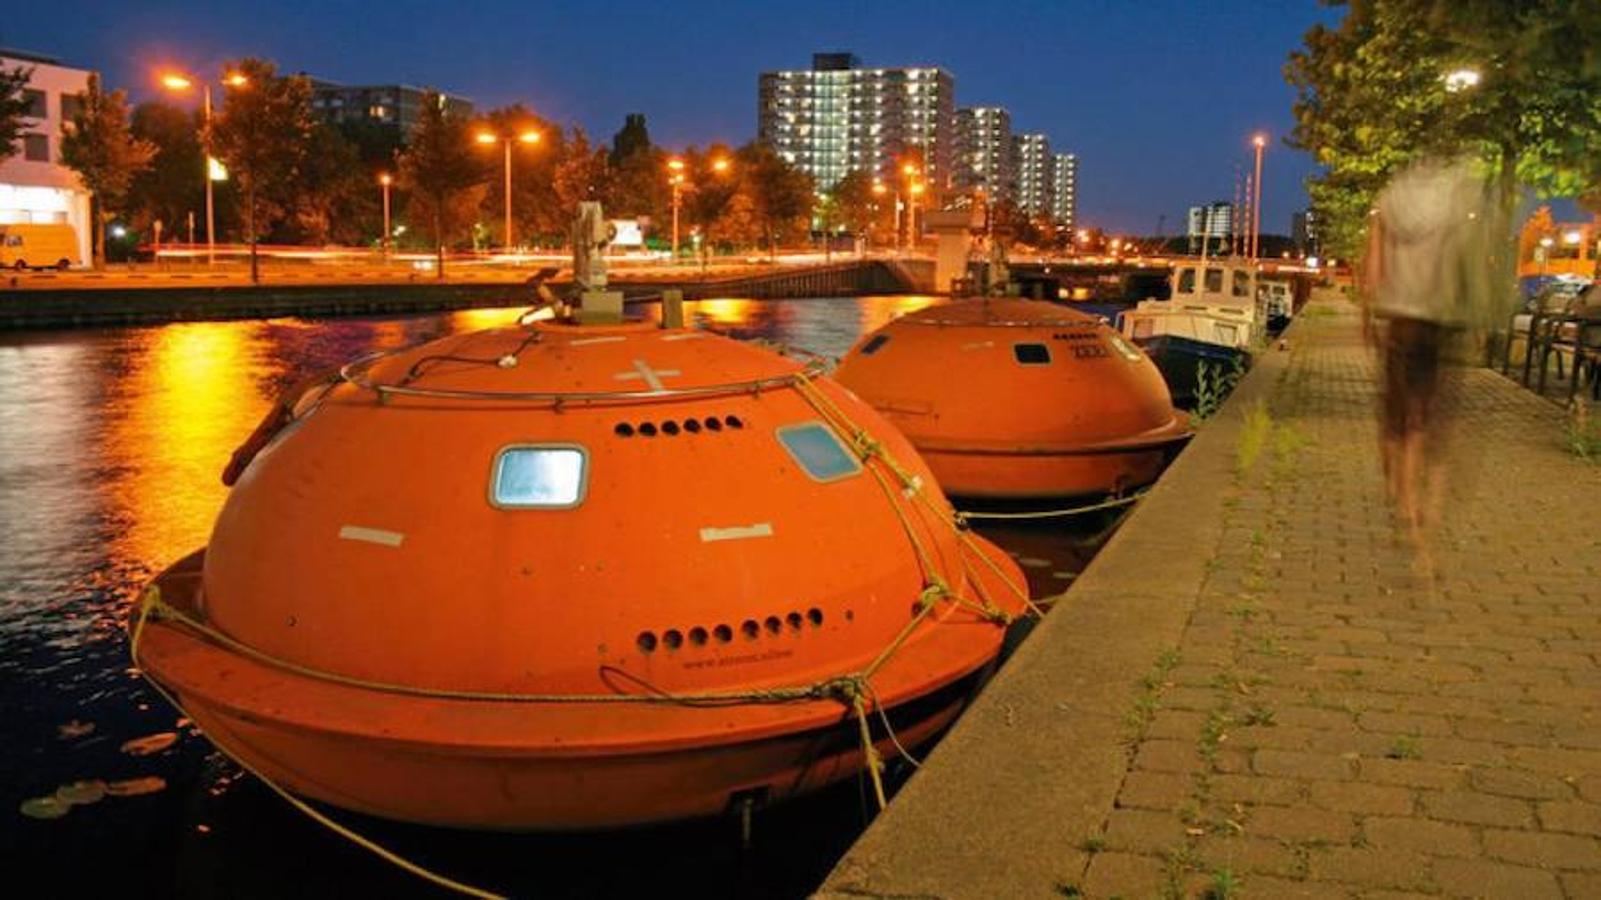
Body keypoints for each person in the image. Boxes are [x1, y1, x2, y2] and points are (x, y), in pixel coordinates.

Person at [1364, 154, 1496, 544]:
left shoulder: (1389, 200)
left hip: (1399, 317)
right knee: (1425, 411)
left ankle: (1401, 494)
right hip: (1438, 317)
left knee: (1396, 409)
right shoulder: (1454, 203)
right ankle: (1421, 502)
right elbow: (1466, 263)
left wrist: (1371, 313)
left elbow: (1374, 267)